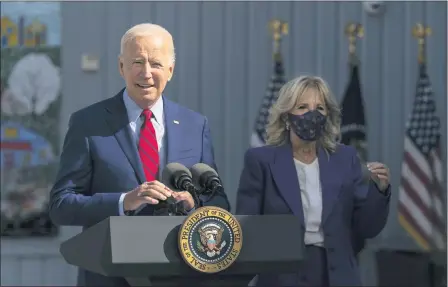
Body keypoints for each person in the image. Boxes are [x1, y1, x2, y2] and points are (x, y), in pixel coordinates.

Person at [49, 23, 230, 286]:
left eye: (156, 63)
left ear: (171, 70)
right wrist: (125, 201)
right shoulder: (89, 123)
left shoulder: (195, 125)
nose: (146, 73)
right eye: (137, 62)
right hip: (110, 276)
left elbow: (219, 202)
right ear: (121, 67)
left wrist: (195, 203)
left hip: (180, 272)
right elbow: (61, 206)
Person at [236, 75, 390, 287]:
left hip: (336, 275)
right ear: (287, 117)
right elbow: (248, 226)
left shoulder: (345, 159)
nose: (312, 114)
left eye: (319, 108)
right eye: (302, 107)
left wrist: (379, 191)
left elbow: (365, 228)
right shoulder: (261, 161)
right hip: (281, 275)